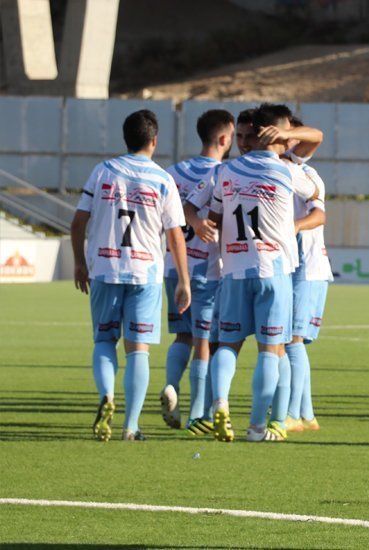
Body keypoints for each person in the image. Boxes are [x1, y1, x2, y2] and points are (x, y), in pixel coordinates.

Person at [70, 109, 191, 442]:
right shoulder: (163, 179)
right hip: (145, 274)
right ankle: (131, 426)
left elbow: (78, 222)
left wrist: (80, 263)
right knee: (138, 351)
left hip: (106, 270)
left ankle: (107, 395)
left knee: (104, 341)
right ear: (154, 140)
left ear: (126, 139)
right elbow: (176, 234)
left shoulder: (104, 172)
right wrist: (183, 280)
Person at [205, 103, 318, 442]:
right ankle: (256, 427)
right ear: (276, 134)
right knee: (270, 350)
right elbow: (314, 192)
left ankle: (220, 403)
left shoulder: (226, 172)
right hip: (274, 269)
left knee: (227, 344)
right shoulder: (287, 171)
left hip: (235, 268)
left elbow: (215, 216)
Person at [159, 109, 234, 435]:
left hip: (173, 265)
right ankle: (197, 415)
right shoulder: (225, 173)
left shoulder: (172, 172)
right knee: (204, 342)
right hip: (206, 269)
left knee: (182, 336)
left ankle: (172, 385)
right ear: (222, 138)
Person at [264, 115, 330, 434]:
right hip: (295, 264)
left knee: (292, 340)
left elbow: (319, 213)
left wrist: (292, 228)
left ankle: (291, 412)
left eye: (286, 132)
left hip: (308, 265)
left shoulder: (300, 171)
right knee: (290, 340)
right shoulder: (271, 169)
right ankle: (306, 413)